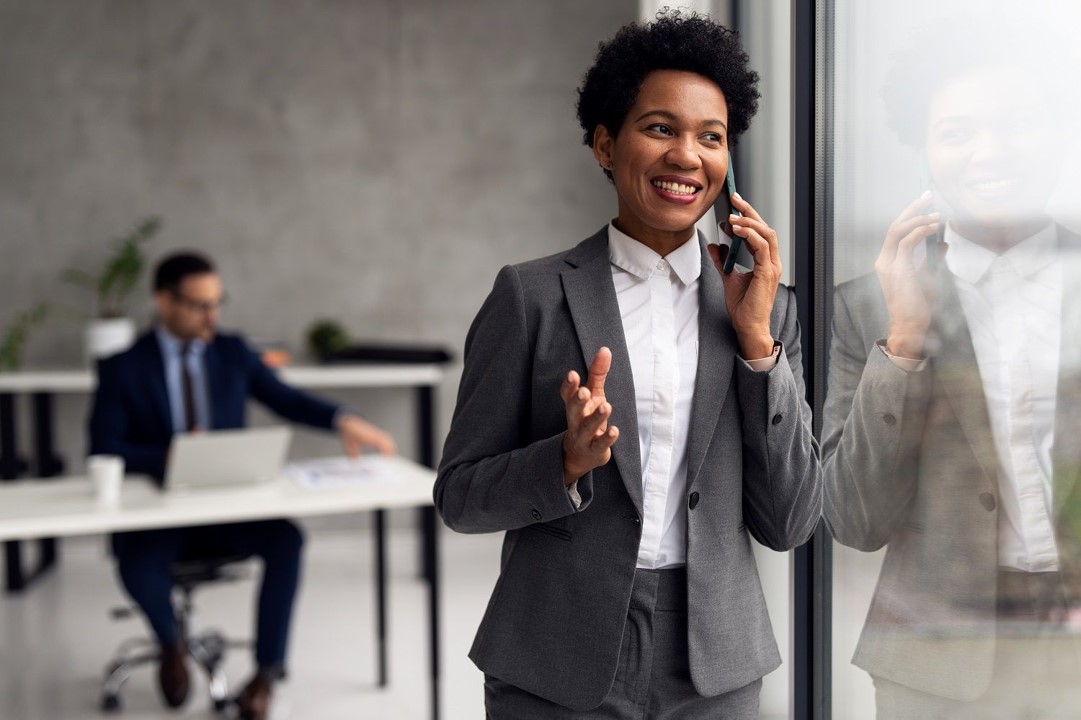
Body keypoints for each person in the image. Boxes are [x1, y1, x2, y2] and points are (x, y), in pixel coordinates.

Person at [435, 11, 821, 719]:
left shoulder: (767, 311)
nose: (686, 155)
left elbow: (791, 522)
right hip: (555, 655)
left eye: (710, 137)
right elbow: (459, 496)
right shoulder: (531, 296)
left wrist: (758, 349)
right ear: (606, 145)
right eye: (659, 128)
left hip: (716, 662)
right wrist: (564, 462)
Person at [822, 16, 1081, 719]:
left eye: (1017, 124)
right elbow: (853, 520)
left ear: (1059, 133)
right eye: (957, 131)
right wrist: (902, 339)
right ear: (925, 150)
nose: (988, 151)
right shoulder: (863, 310)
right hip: (932, 669)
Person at [88, 251, 395, 719]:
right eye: (199, 305)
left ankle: (266, 673)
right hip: (158, 512)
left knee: (287, 540)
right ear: (163, 302)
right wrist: (170, 455)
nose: (212, 315)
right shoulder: (123, 366)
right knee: (136, 561)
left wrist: (343, 419)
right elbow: (105, 445)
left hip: (226, 508)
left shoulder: (232, 352)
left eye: (217, 303)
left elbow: (285, 399)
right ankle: (171, 645)